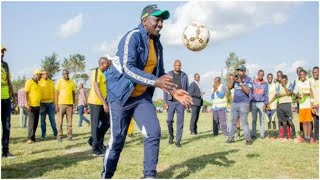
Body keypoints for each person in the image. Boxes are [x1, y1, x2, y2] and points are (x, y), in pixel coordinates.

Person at [101, 4, 192, 178]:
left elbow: (160, 72)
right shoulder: (132, 37)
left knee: (153, 133)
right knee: (117, 142)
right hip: (120, 97)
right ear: (144, 21)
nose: (160, 24)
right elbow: (128, 69)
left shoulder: (158, 45)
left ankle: (149, 176)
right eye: (157, 20)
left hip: (141, 97)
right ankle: (106, 176)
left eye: (162, 21)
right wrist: (155, 81)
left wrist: (173, 91)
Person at [87, 57, 111, 156]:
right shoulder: (96, 72)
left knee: (107, 122)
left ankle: (94, 141)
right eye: (107, 64)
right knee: (95, 125)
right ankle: (95, 149)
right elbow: (96, 87)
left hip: (101, 102)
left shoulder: (103, 73)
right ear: (102, 63)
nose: (108, 65)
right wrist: (104, 103)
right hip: (95, 102)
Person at [164, 60, 189, 147]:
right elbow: (165, 88)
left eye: (179, 65)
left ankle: (178, 141)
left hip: (180, 102)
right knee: (169, 120)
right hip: (171, 101)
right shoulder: (169, 74)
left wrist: (186, 101)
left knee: (180, 122)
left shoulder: (184, 76)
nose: (178, 67)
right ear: (173, 65)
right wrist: (165, 102)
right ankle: (171, 135)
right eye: (177, 65)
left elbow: (186, 90)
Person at [226, 65, 253, 145]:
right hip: (235, 103)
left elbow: (248, 91)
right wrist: (232, 80)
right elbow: (229, 87)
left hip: (244, 104)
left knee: (244, 122)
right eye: (238, 70)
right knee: (233, 122)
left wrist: (240, 83)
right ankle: (231, 138)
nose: (239, 72)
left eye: (241, 71)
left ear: (244, 71)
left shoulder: (248, 80)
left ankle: (248, 140)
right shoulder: (236, 78)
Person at [1, 45, 17, 158]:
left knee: (6, 126)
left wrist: (14, 97)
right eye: (0, 51)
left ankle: (5, 152)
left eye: (3, 52)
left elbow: (9, 81)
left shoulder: (5, 65)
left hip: (6, 100)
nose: (2, 53)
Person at [55, 69, 76, 142]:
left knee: (69, 122)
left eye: (67, 74)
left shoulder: (72, 82)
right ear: (62, 75)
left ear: (68, 74)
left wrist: (74, 104)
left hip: (70, 105)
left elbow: (73, 93)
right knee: (60, 122)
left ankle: (69, 136)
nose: (66, 75)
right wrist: (56, 105)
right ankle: (59, 136)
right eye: (64, 74)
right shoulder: (59, 82)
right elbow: (56, 94)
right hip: (60, 105)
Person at [293, 70, 313, 143]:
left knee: (309, 122)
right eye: (301, 74)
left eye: (303, 74)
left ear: (305, 74)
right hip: (301, 105)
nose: (302, 76)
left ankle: (309, 136)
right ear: (299, 75)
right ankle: (306, 137)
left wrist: (306, 94)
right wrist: (298, 95)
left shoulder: (309, 81)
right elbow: (294, 93)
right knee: (304, 122)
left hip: (308, 105)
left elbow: (311, 92)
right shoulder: (298, 83)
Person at [276, 75, 296, 141]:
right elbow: (277, 95)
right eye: (282, 81)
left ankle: (294, 136)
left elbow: (289, 93)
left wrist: (284, 86)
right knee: (284, 122)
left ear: (287, 80)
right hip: (281, 104)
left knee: (290, 121)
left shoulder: (290, 84)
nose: (283, 82)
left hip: (288, 104)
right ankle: (285, 137)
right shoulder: (279, 85)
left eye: (285, 81)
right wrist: (285, 94)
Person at [25, 70, 42, 143]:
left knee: (36, 122)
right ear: (36, 74)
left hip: (37, 105)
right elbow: (25, 93)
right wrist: (26, 103)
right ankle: (29, 138)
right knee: (31, 122)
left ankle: (33, 137)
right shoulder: (29, 82)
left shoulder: (38, 83)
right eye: (40, 75)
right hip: (31, 105)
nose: (41, 77)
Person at [39, 70, 57, 139]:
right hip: (42, 103)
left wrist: (55, 103)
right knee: (42, 120)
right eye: (44, 74)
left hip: (50, 103)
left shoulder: (51, 82)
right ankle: (43, 134)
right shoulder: (39, 82)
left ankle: (55, 133)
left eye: (46, 73)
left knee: (52, 119)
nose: (45, 75)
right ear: (41, 75)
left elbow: (54, 92)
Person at [251, 70, 268, 139]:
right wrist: (250, 102)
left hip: (261, 103)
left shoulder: (265, 83)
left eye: (262, 75)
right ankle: (254, 134)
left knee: (262, 119)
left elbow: (266, 94)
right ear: (258, 75)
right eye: (260, 75)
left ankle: (262, 135)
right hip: (254, 103)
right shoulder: (253, 82)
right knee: (254, 120)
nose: (261, 76)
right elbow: (250, 93)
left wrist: (265, 104)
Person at [265, 73, 277, 138]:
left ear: (272, 78)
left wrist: (269, 103)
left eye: (271, 77)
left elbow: (275, 95)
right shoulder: (265, 85)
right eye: (268, 77)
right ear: (267, 78)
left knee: (273, 119)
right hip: (267, 106)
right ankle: (270, 134)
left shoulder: (274, 85)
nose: (269, 78)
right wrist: (266, 104)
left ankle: (275, 134)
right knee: (268, 120)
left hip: (273, 105)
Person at [229, 74, 241, 138]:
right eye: (230, 79)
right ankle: (233, 134)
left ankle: (238, 133)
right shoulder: (230, 87)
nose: (231, 79)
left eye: (232, 78)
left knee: (238, 120)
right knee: (234, 120)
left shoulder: (237, 85)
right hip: (233, 104)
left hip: (238, 104)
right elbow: (231, 95)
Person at [310, 66, 319, 144]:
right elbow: (311, 93)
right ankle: (316, 138)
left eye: (315, 72)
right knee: (316, 123)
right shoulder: (311, 80)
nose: (314, 74)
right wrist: (312, 105)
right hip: (314, 106)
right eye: (313, 72)